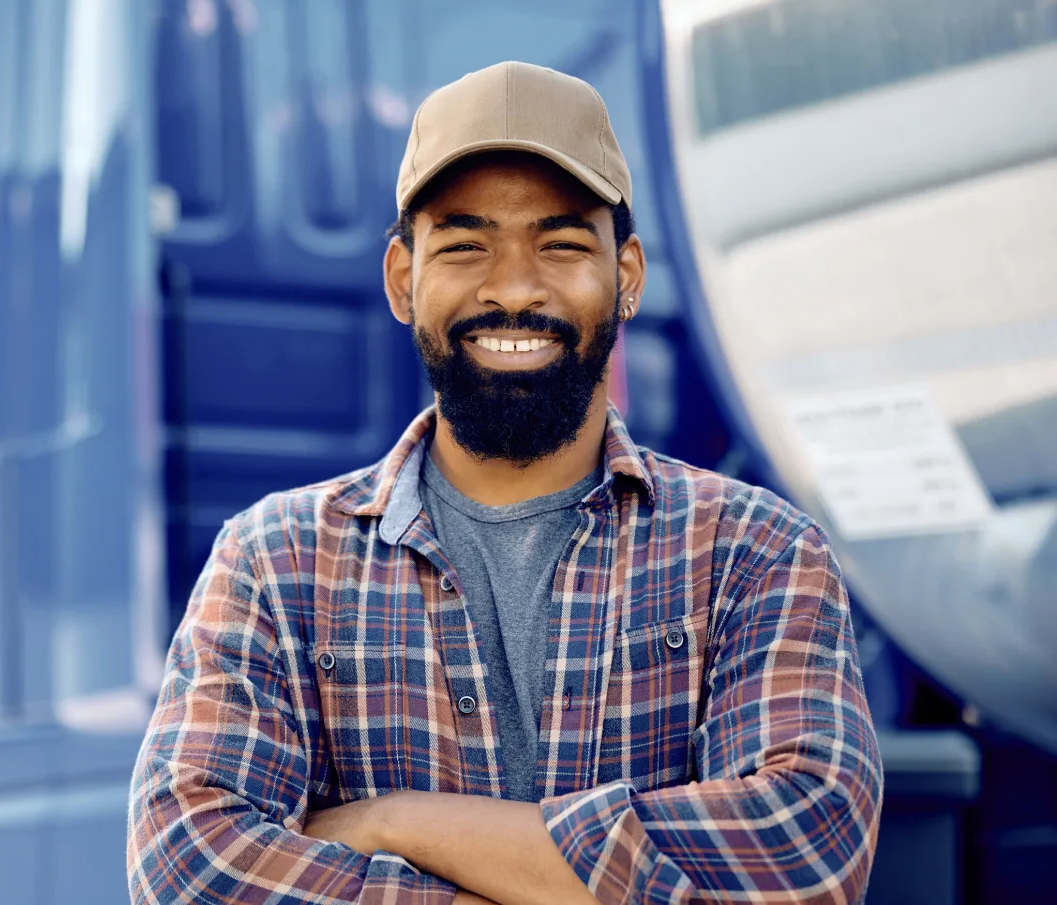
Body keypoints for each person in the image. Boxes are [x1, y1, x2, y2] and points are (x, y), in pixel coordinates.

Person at [127, 61, 882, 905]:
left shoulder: (757, 552)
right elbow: (188, 869)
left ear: (626, 275)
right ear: (401, 279)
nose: (515, 287)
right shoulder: (277, 562)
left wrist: (399, 821)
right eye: (464, 244)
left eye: (560, 243)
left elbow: (800, 862)